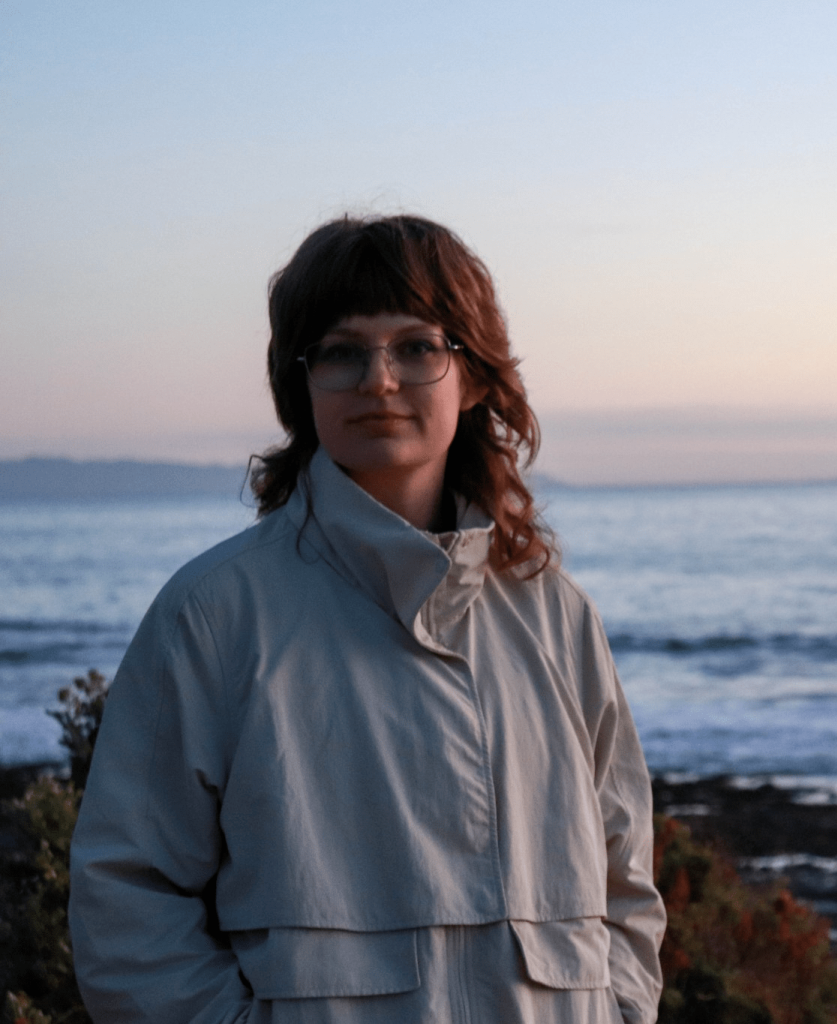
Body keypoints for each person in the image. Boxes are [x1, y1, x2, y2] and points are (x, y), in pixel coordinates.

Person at [69, 214, 666, 1023]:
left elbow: (624, 878)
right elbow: (127, 896)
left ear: (475, 375)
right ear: (301, 382)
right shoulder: (214, 614)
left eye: (417, 347)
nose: (378, 380)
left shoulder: (557, 614)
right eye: (342, 352)